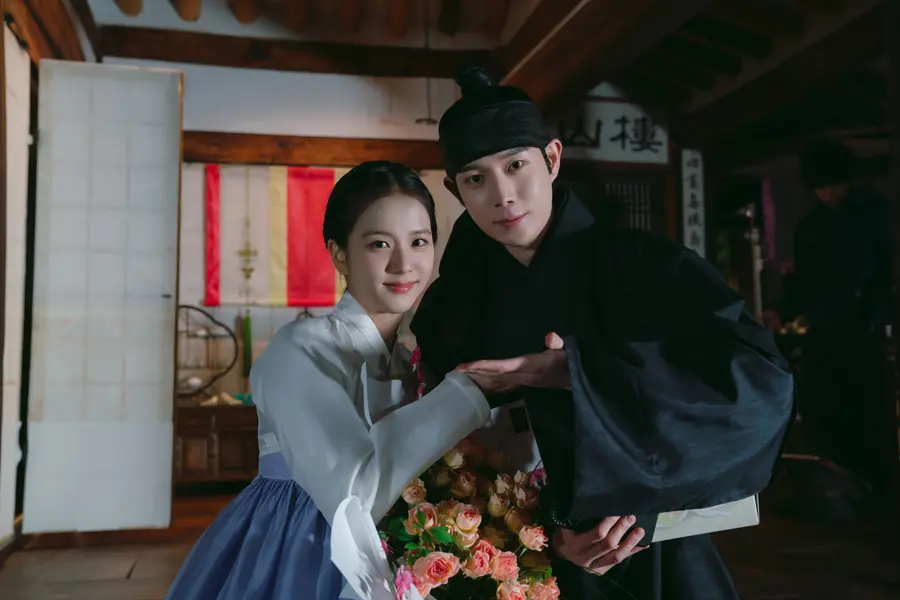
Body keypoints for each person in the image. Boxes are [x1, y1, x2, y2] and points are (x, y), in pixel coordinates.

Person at [409, 67, 796, 600]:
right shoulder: (452, 305)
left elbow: (760, 387)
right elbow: (447, 452)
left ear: (552, 158)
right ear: (456, 190)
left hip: (655, 545)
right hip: (514, 559)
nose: (502, 195)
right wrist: (539, 529)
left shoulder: (650, 267)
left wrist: (579, 374)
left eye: (516, 165)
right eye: (476, 179)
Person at [165, 161, 500, 600]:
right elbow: (352, 495)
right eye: (379, 244)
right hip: (299, 543)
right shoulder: (299, 349)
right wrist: (470, 392)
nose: (403, 264)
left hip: (400, 544)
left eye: (419, 241)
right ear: (340, 253)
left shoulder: (412, 361)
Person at [793, 139, 893, 515]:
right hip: (825, 329)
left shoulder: (875, 215)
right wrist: (784, 308)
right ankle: (835, 489)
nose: (827, 194)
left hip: (866, 328)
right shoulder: (812, 225)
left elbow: (886, 272)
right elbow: (803, 279)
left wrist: (878, 315)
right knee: (825, 408)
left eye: (833, 186)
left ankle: (878, 491)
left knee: (869, 410)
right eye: (820, 188)